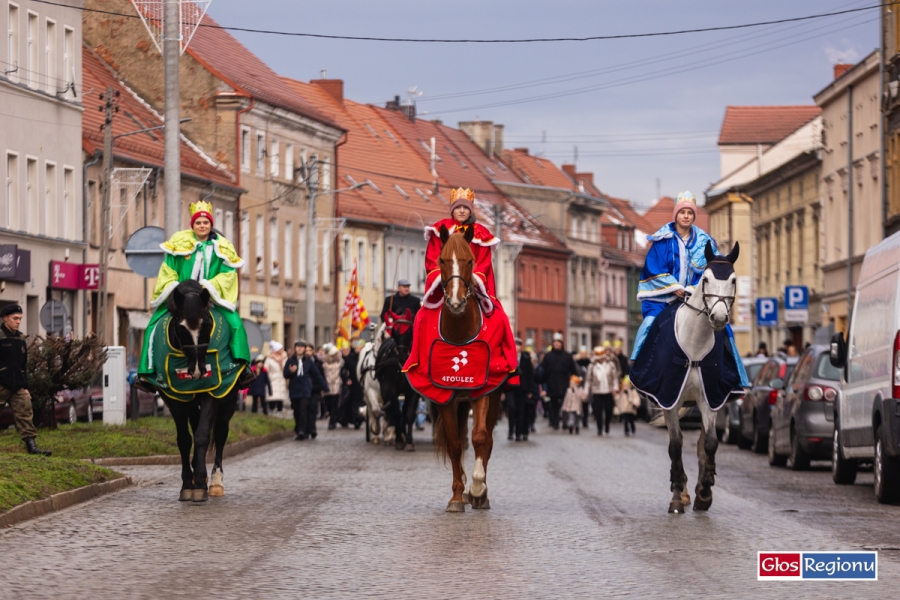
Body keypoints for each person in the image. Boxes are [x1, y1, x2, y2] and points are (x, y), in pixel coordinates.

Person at [630, 191, 748, 387]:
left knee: (723, 326)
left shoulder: (705, 242)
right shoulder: (662, 240)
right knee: (650, 323)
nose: (686, 216)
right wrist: (674, 287)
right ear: (676, 215)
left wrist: (692, 289)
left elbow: (715, 269)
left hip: (696, 297)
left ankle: (733, 378)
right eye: (682, 212)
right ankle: (639, 369)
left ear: (693, 216)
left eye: (690, 213)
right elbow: (654, 267)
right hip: (663, 299)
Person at [139, 201, 251, 386]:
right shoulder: (178, 243)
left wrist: (208, 286)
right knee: (153, 325)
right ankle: (148, 374)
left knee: (236, 324)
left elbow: (228, 275)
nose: (202, 226)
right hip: (181, 298)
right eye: (198, 223)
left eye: (205, 223)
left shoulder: (222, 247)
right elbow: (168, 270)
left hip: (210, 298)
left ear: (211, 224)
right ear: (193, 224)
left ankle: (242, 369)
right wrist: (176, 288)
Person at [0, 305, 50, 456]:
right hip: (1, 383)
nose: (18, 322)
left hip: (18, 385)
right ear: (5, 318)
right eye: (15, 319)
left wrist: (26, 387)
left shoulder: (20, 338)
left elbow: (23, 365)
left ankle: (31, 447)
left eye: (20, 319)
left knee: (25, 412)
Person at [284, 340, 328, 440]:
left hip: (305, 389)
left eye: (301, 347)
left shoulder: (308, 361)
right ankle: (298, 428)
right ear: (295, 348)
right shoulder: (290, 360)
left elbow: (317, 375)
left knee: (304, 410)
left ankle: (302, 431)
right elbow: (285, 374)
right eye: (297, 346)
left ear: (304, 349)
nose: (299, 348)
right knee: (297, 411)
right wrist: (290, 371)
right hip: (294, 390)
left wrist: (325, 387)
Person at [537, 332, 577, 430]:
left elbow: (573, 371)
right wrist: (540, 382)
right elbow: (543, 371)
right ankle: (554, 422)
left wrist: (573, 383)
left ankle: (564, 422)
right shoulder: (548, 356)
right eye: (555, 342)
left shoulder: (567, 356)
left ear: (562, 343)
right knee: (553, 405)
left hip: (564, 384)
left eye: (558, 342)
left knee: (565, 405)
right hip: (552, 384)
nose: (556, 343)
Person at [585, 344, 621, 436]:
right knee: (598, 411)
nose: (601, 359)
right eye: (599, 358)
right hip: (597, 392)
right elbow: (588, 380)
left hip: (608, 391)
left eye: (602, 357)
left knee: (609, 410)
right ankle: (599, 428)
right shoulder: (592, 366)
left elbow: (614, 378)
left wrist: (615, 389)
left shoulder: (611, 365)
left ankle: (607, 425)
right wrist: (586, 392)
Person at [320, 343, 344, 430]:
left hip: (337, 385)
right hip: (326, 386)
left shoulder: (340, 362)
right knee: (328, 404)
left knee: (335, 404)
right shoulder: (323, 363)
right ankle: (331, 416)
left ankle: (332, 422)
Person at [264, 341, 288, 412]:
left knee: (280, 398)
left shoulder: (285, 358)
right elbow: (265, 369)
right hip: (272, 381)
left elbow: (286, 368)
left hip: (281, 380)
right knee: (272, 398)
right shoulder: (269, 359)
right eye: (280, 349)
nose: (281, 350)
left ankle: (279, 411)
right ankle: (272, 411)